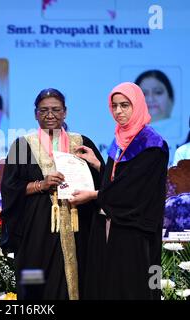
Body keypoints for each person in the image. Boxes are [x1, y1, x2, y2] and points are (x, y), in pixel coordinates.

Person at [0, 88, 104, 300]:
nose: (50, 115)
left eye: (56, 110)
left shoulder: (82, 142)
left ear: (65, 112)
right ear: (35, 114)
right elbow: (10, 189)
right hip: (36, 228)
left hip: (79, 225)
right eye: (44, 110)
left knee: (82, 277)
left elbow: (104, 182)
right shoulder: (22, 145)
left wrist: (97, 164)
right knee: (38, 283)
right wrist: (42, 184)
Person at [70, 82, 169, 300]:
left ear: (138, 105)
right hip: (108, 226)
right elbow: (118, 181)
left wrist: (94, 195)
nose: (118, 111)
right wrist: (99, 165)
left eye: (125, 105)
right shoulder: (121, 139)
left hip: (134, 231)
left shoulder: (152, 144)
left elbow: (134, 191)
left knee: (129, 287)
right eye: (114, 106)